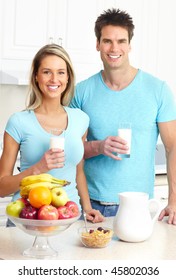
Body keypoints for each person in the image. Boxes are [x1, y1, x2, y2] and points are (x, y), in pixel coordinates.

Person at [70, 8, 176, 224]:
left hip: (138, 205)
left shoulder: (158, 90)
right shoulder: (81, 92)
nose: (114, 48)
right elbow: (72, 151)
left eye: (121, 41)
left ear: (129, 45)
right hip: (90, 206)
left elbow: (172, 146)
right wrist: (99, 147)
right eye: (107, 41)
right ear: (97, 44)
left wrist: (174, 198)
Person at [0, 43, 104, 225]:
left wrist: (87, 208)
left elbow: (78, 170)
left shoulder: (80, 119)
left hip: (69, 217)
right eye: (47, 72)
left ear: (68, 77)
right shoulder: (18, 122)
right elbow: (1, 187)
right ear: (36, 77)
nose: (54, 79)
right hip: (28, 219)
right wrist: (38, 169)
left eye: (61, 72)